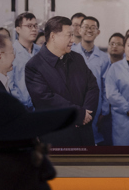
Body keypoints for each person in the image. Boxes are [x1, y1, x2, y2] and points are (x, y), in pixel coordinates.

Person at [24, 16, 98, 147]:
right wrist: (78, 114)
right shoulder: (34, 66)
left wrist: (86, 114)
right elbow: (46, 99)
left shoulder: (77, 59)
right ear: (53, 36)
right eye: (69, 35)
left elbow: (92, 87)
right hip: (57, 136)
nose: (73, 40)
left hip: (84, 132)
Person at [69, 16, 111, 146]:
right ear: (79, 30)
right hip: (73, 105)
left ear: (98, 32)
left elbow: (106, 86)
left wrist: (104, 111)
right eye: (86, 27)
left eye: (93, 28)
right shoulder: (69, 53)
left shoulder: (104, 58)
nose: (89, 30)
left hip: (96, 107)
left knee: (92, 141)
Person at [10, 11, 39, 110]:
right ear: (18, 29)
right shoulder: (11, 52)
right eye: (29, 26)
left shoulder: (41, 52)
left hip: (41, 106)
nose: (34, 29)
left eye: (35, 26)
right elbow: (9, 84)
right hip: (19, 107)